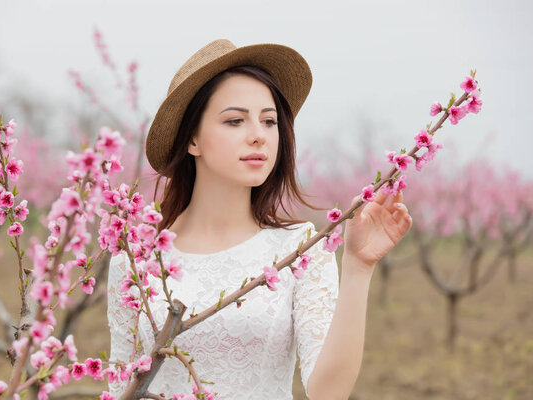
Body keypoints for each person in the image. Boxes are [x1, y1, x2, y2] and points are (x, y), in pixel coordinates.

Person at [107, 39, 412, 400]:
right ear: (192, 140)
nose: (258, 135)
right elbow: (119, 386)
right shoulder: (135, 259)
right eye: (235, 120)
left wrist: (359, 267)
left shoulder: (301, 250)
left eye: (269, 121)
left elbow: (327, 392)